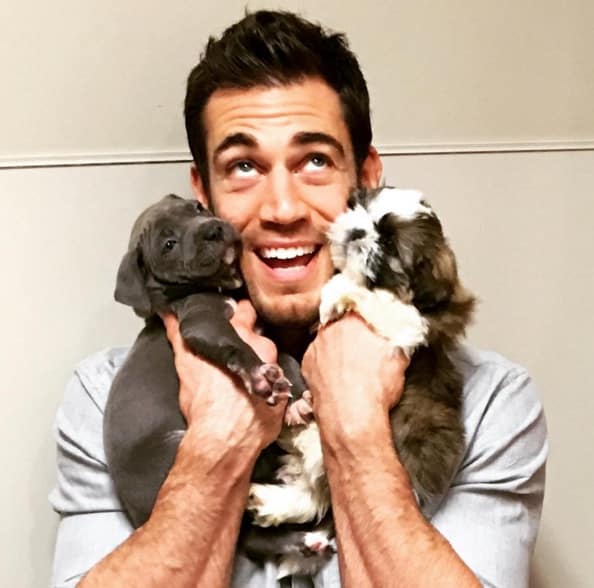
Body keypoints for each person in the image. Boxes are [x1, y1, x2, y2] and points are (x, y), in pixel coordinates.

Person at [50, 10, 547, 588]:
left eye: (314, 161)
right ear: (202, 193)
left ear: (366, 175)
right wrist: (217, 438)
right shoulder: (103, 400)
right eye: (243, 167)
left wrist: (355, 423)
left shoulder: (490, 402)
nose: (282, 209)